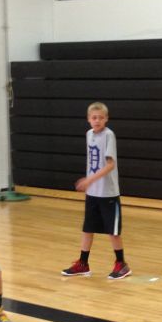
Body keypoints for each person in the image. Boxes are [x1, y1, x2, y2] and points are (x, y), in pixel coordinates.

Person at [60, 102, 131, 280]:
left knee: (113, 231)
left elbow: (110, 164)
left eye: (100, 117)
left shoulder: (109, 135)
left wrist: (89, 180)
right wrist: (90, 184)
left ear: (106, 118)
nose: (97, 120)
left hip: (108, 193)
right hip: (93, 193)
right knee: (88, 228)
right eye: (94, 117)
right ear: (88, 119)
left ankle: (121, 264)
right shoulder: (89, 134)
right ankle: (83, 263)